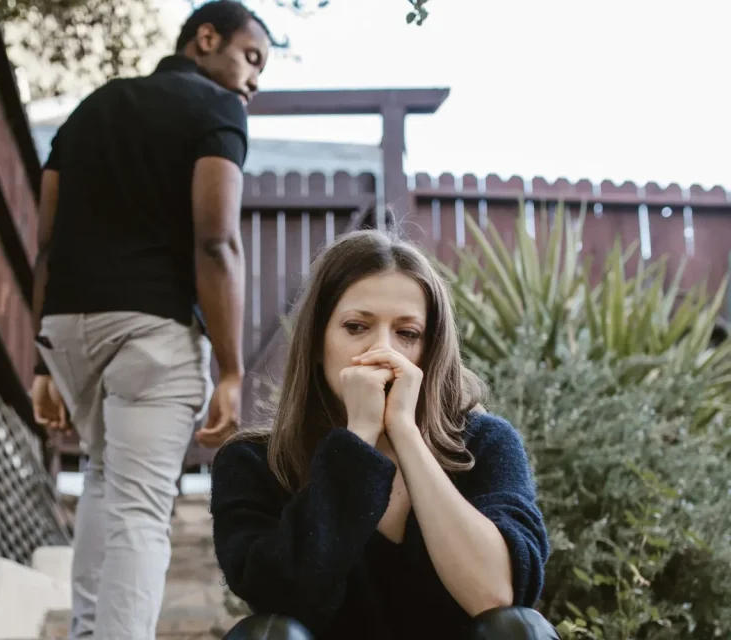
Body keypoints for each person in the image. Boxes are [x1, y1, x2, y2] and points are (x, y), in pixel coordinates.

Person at [28, 2, 273, 638]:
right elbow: (217, 242)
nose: (253, 81)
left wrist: (39, 361)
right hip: (154, 333)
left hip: (70, 330)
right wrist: (231, 368)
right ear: (206, 39)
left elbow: (46, 245)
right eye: (251, 58)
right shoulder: (218, 111)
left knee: (105, 480)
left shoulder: (92, 108)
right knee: (140, 506)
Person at [210, 230, 555, 639]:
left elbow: (497, 595)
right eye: (356, 327)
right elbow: (283, 598)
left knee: (516, 628)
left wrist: (405, 434)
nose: (382, 351)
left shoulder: (486, 443)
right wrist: (358, 440)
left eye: (407, 334)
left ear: (430, 350)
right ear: (319, 342)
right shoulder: (254, 462)